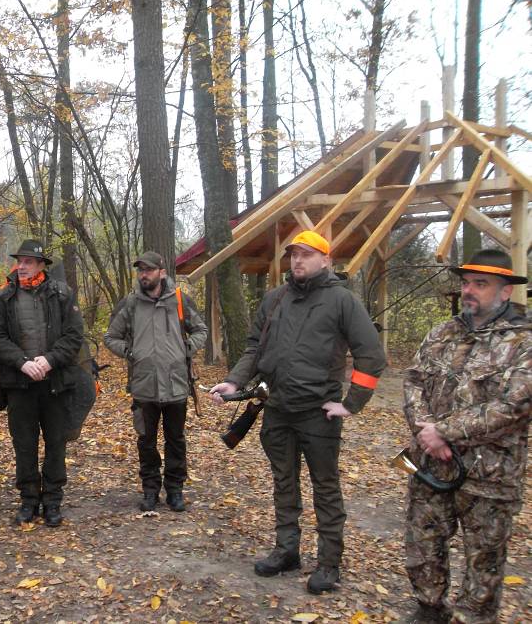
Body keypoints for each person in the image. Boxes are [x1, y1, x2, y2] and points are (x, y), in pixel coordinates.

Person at [210, 230, 386, 594]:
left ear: (326, 260)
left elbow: (371, 355)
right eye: (293, 254)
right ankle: (286, 551)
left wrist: (351, 403)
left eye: (306, 254)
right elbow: (254, 348)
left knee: (326, 488)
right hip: (277, 409)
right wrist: (233, 381)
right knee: (283, 482)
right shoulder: (275, 299)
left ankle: (329, 563)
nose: (298, 260)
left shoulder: (342, 301)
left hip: (318, 413)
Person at [400, 250, 530, 624]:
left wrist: (444, 432)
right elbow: (413, 382)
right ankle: (429, 609)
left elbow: (516, 404)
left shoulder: (523, 340)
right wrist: (426, 431)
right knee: (424, 543)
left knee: (484, 557)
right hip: (430, 466)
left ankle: (472, 617)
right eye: (466, 282)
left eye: (481, 284)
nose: (469, 290)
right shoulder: (443, 332)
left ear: (505, 291)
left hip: (490, 473)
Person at [0, 239, 84, 527]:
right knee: (24, 444)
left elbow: (74, 336)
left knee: (56, 443)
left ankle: (52, 501)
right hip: (19, 384)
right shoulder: (4, 297)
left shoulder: (62, 294)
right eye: (20, 261)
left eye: (28, 261)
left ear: (42, 265)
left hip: (56, 383)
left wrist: (49, 360)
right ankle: (28, 500)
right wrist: (22, 362)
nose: (22, 266)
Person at [104, 251, 207, 512]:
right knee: (146, 441)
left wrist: (185, 349)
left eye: (149, 270)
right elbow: (111, 337)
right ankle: (150, 490)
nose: (144, 275)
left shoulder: (180, 300)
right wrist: (130, 353)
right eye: (141, 270)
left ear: (161, 272)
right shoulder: (130, 303)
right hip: (143, 385)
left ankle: (175, 491)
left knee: (176, 441)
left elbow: (201, 330)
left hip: (176, 385)